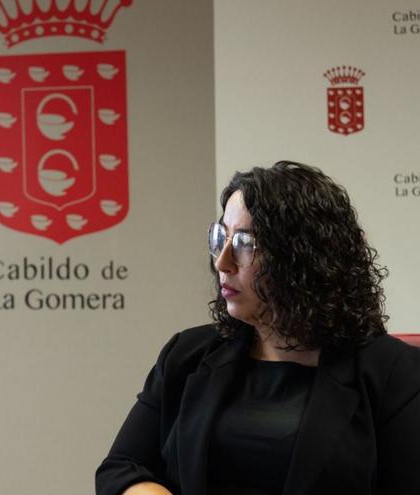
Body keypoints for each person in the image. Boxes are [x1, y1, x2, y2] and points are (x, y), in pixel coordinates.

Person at [96, 161, 420, 495]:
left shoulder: (395, 375)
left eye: (245, 244)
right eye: (221, 236)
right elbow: (121, 468)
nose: (222, 262)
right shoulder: (187, 354)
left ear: (303, 259)